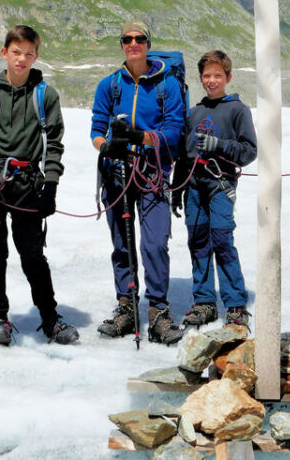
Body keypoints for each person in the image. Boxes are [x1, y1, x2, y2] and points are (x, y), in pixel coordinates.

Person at [0, 25, 78, 347]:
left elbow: (54, 145)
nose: (22, 59)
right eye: (16, 53)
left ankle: (50, 317)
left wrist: (50, 188)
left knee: (33, 256)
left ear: (36, 56)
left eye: (28, 54)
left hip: (27, 187)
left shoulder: (45, 96)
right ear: (4, 53)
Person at [91, 20, 185, 345]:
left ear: (148, 43)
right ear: (121, 44)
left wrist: (141, 137)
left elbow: (174, 129)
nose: (133, 44)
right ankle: (126, 305)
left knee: (155, 242)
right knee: (122, 243)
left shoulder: (167, 85)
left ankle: (158, 311)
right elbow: (96, 128)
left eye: (139, 39)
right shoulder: (109, 85)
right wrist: (107, 146)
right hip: (116, 173)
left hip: (152, 171)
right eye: (127, 39)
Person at [173, 51, 257, 329]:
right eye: (207, 75)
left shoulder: (237, 110)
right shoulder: (194, 113)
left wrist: (220, 146)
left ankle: (235, 304)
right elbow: (184, 156)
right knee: (198, 241)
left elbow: (249, 151)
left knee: (221, 239)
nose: (211, 80)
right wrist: (176, 189)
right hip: (194, 186)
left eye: (217, 75)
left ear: (228, 78)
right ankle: (205, 302)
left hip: (220, 184)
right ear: (201, 78)